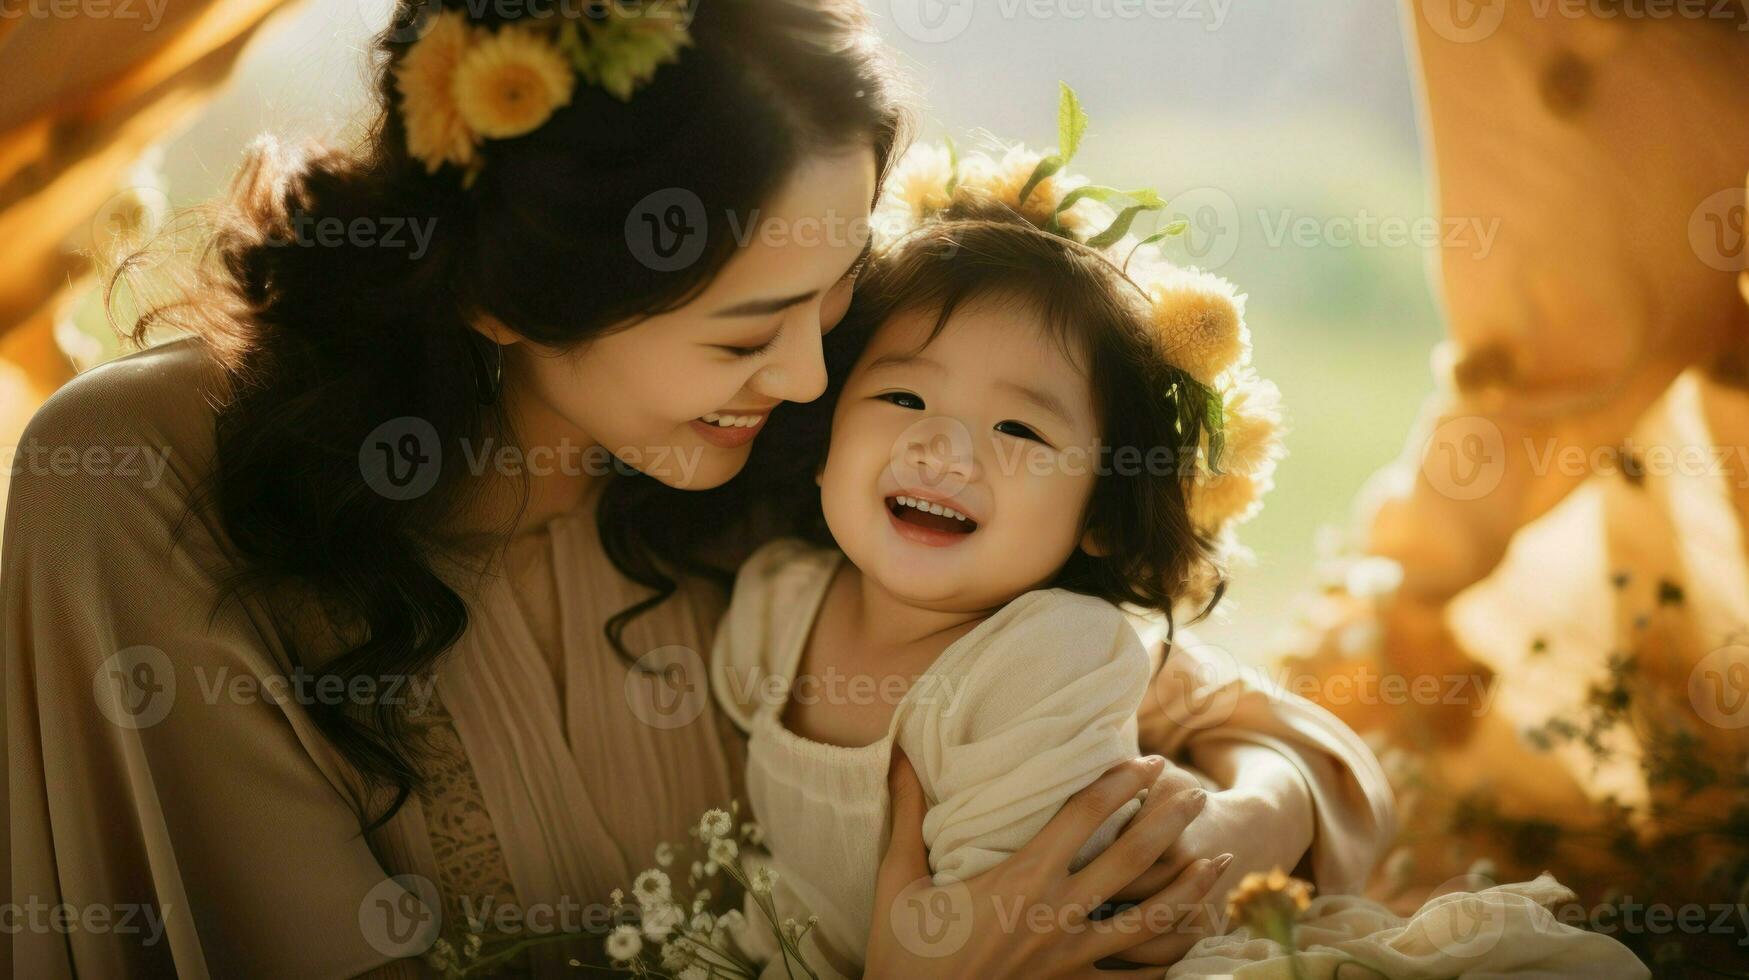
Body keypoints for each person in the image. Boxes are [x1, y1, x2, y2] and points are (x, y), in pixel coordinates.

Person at [2, 2, 1391, 976]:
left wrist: (1200, 836)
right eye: (742, 332)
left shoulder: (800, 449)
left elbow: (1266, 742)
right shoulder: (149, 491)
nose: (806, 375)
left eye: (835, 298)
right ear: (500, 292)